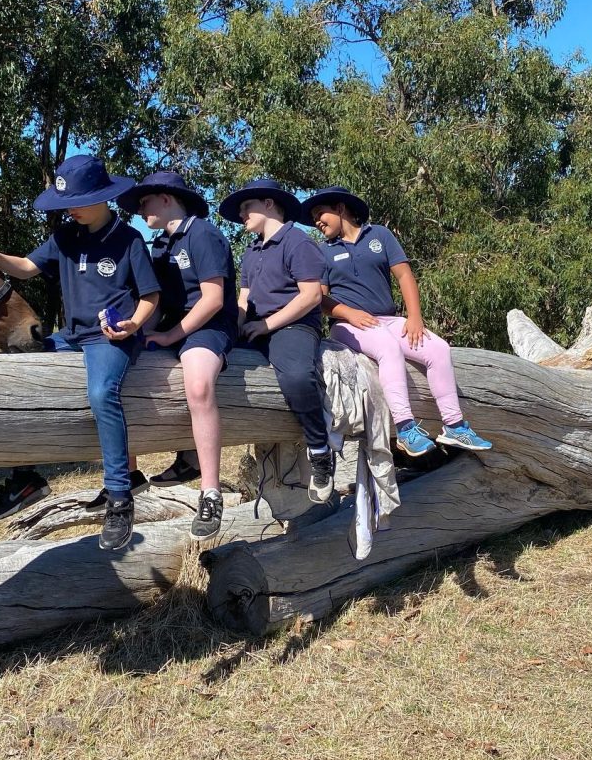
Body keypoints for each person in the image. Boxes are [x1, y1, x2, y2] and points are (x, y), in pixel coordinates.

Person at [0, 154, 160, 552]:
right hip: (73, 335)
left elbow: (150, 296)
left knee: (101, 394)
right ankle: (25, 477)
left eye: (76, 202)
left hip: (110, 338)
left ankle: (119, 496)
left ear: (102, 197)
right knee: (20, 360)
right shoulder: (65, 236)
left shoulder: (128, 239)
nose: (70, 210)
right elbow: (27, 267)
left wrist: (132, 325)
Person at [303, 185, 492, 456]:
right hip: (347, 326)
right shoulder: (323, 251)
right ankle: (405, 428)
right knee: (388, 349)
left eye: (321, 213)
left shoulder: (379, 235)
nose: (317, 221)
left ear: (341, 208)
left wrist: (414, 317)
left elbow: (404, 276)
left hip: (389, 320)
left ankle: (455, 426)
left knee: (439, 349)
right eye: (314, 218)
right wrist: (348, 313)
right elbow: (319, 299)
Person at [117, 171, 238, 538]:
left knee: (199, 385)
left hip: (209, 326)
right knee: (120, 370)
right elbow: (153, 301)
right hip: (172, 326)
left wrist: (170, 334)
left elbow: (213, 300)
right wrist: (135, 330)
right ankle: (128, 478)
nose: (140, 211)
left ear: (167, 199)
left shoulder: (203, 233)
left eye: (144, 203)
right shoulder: (160, 245)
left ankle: (211, 492)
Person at [219, 178, 335, 503]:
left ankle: (320, 449)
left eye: (246, 207)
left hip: (293, 326)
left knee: (297, 377)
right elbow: (244, 299)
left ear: (269, 204)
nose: (242, 214)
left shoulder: (298, 241)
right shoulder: (251, 251)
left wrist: (267, 325)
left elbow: (311, 296)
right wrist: (232, 329)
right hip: (255, 328)